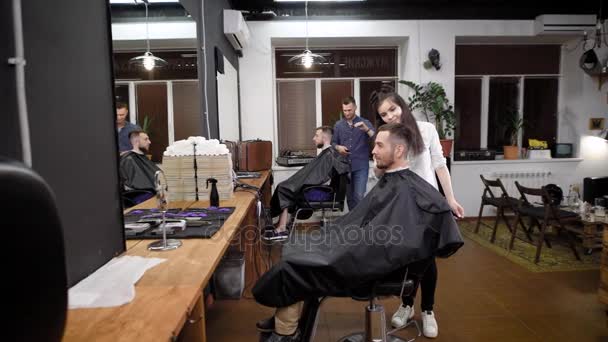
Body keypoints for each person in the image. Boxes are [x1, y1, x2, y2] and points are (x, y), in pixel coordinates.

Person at [254, 123, 464, 342]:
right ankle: (286, 320)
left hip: (376, 266)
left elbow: (389, 243)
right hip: (364, 251)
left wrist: (338, 248)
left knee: (293, 265)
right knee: (295, 249)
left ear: (399, 151)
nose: (373, 151)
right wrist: (335, 238)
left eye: (380, 146)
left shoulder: (411, 191)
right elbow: (366, 225)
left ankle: (284, 333)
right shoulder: (395, 182)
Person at [371, 88, 464, 339]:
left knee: (427, 259)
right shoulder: (386, 135)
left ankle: (428, 310)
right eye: (384, 114)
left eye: (392, 109)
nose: (390, 116)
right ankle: (407, 304)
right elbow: (377, 173)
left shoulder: (426, 130)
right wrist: (381, 161)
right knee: (406, 257)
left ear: (401, 105)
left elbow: (439, 165)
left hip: (426, 205)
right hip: (399, 206)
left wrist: (450, 198)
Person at [265, 126, 349, 241]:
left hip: (322, 192)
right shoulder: (327, 153)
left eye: (316, 136)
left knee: (284, 188)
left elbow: (317, 178)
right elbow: (315, 176)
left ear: (324, 137)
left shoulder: (329, 155)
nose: (313, 139)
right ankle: (282, 226)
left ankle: (281, 228)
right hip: (321, 189)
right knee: (285, 187)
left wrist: (299, 185)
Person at [332, 96, 375, 210]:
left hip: (361, 166)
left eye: (349, 110)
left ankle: (361, 224)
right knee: (350, 198)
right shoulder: (338, 125)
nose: (347, 113)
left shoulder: (365, 123)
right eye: (345, 110)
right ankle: (354, 225)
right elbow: (333, 143)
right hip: (345, 167)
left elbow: (376, 138)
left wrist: (367, 129)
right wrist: (338, 147)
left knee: (359, 196)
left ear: (355, 107)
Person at [119, 130, 160, 202]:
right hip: (142, 198)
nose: (149, 142)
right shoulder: (129, 159)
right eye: (145, 139)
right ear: (136, 141)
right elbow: (135, 184)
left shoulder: (143, 157)